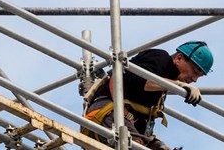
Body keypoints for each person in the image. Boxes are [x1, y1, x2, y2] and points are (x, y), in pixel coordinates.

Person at [83, 41, 213, 150]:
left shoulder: (165, 81)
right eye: (195, 72)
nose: (194, 79)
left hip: (125, 121)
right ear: (179, 58)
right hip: (107, 112)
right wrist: (179, 85)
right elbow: (139, 81)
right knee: (134, 145)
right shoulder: (161, 58)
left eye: (199, 76)